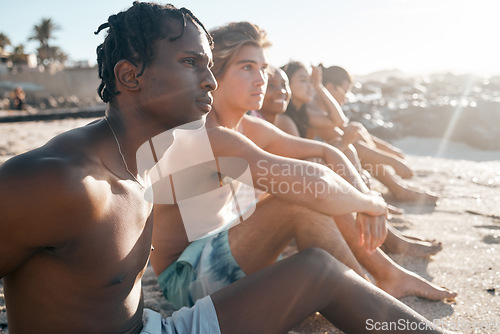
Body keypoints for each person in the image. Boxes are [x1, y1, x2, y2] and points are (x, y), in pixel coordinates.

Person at [0, 3, 452, 333]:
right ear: (130, 76)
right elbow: (304, 181)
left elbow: (312, 163)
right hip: (178, 292)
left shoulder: (146, 153)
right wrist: (370, 199)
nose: (210, 80)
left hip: (156, 325)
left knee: (318, 271)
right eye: (191, 63)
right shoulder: (59, 180)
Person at [151, 20, 455, 321]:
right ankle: (372, 300)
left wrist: (363, 196)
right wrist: (372, 204)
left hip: (225, 245)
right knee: (299, 199)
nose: (262, 79)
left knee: (309, 179)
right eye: (246, 68)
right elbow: (316, 185)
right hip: (185, 280)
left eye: (263, 68)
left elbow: (326, 152)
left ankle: (384, 274)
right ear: (213, 75)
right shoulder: (207, 133)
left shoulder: (246, 125)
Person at [258, 66, 443, 258]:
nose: (310, 87)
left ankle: (379, 220)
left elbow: (339, 121)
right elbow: (302, 169)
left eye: (284, 85)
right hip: (293, 196)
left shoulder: (302, 112)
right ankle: (384, 231)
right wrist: (391, 160)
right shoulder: (285, 120)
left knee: (347, 146)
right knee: (338, 154)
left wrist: (318, 86)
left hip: (304, 186)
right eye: (303, 81)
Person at [281, 61, 439, 204]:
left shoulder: (305, 108)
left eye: (310, 82)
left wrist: (390, 151)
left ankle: (383, 191)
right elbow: (341, 127)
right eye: (345, 92)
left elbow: (345, 127)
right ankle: (381, 194)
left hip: (314, 162)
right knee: (349, 145)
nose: (346, 98)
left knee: (354, 133)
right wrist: (392, 161)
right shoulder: (306, 109)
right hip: (305, 170)